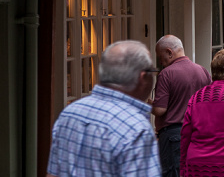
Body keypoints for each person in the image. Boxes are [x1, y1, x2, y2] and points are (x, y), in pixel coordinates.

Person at [47, 40, 161, 176]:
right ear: (142, 77)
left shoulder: (70, 113)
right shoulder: (136, 128)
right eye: (152, 71)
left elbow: (52, 174)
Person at [152, 35, 212, 177]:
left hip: (174, 136)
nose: (161, 62)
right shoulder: (202, 71)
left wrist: (145, 103)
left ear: (169, 52)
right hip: (199, 133)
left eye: (161, 57)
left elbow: (160, 110)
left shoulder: (166, 74)